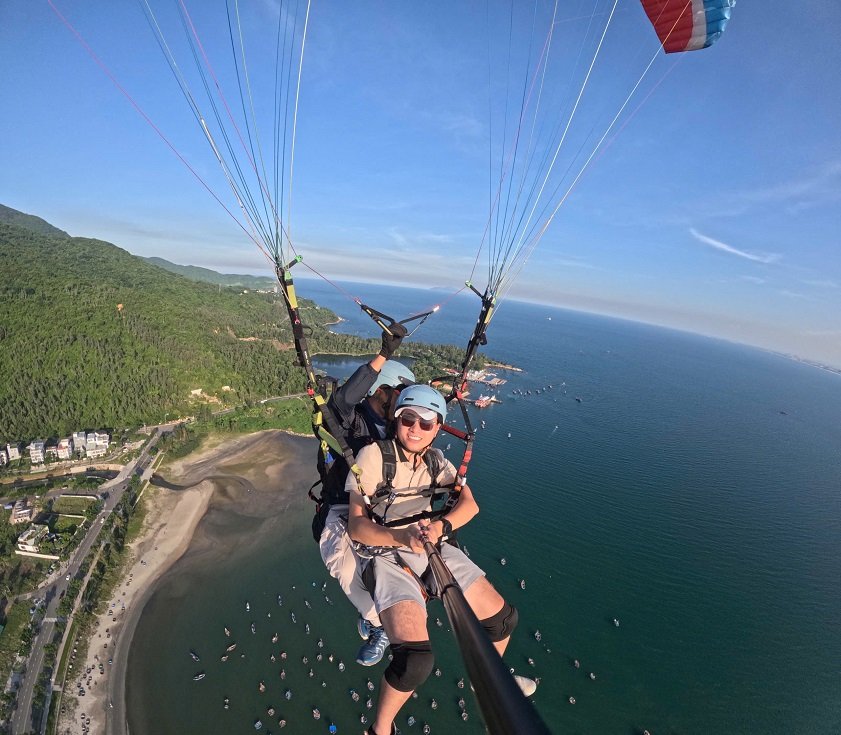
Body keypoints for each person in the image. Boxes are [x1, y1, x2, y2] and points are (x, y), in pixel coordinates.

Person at [346, 385, 534, 735]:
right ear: (396, 419)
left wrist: (441, 525)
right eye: (408, 419)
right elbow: (357, 526)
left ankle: (487, 683)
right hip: (385, 548)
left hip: (429, 540)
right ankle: (380, 730)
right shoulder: (374, 457)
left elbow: (470, 504)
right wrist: (401, 537)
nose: (415, 428)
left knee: (503, 620)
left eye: (426, 423)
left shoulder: (436, 462)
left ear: (437, 428)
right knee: (415, 660)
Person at [317, 323, 415, 666]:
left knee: (393, 565)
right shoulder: (347, 420)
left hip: (378, 509)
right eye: (397, 398)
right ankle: (379, 624)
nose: (402, 408)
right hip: (342, 507)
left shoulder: (396, 429)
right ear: (380, 392)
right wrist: (383, 354)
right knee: (343, 565)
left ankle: (384, 618)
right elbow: (342, 399)